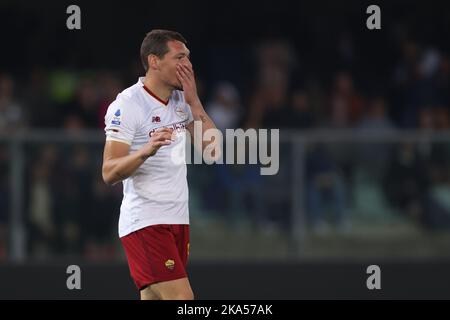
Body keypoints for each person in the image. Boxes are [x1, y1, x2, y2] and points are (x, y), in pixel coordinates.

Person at [102, 29, 218, 300]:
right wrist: (146, 151)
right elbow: (109, 172)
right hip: (146, 222)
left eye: (188, 58)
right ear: (154, 61)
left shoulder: (182, 101)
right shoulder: (128, 104)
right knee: (183, 300)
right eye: (179, 57)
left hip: (177, 220)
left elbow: (213, 151)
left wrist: (194, 101)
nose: (187, 64)